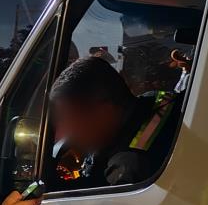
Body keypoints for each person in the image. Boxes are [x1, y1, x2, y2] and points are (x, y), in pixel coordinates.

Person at [49, 56, 181, 187]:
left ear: (105, 110)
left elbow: (107, 201)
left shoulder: (129, 165)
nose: (65, 133)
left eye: (71, 119)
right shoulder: (159, 103)